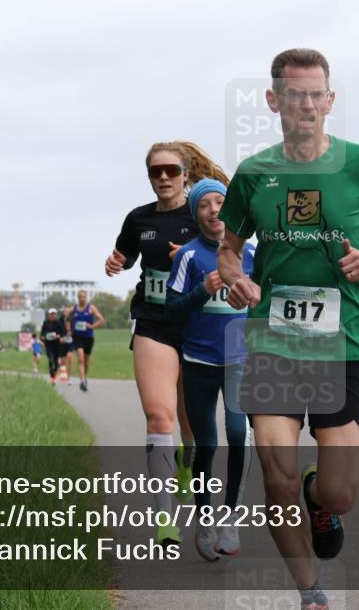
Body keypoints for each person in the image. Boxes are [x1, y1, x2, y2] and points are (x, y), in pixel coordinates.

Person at [217, 48, 359, 610]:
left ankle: (317, 499)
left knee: (340, 493)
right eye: (293, 93)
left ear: (330, 100)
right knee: (275, 476)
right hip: (275, 340)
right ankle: (312, 594)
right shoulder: (254, 174)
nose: (305, 103)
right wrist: (236, 279)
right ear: (274, 100)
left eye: (315, 93)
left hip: (345, 340)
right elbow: (229, 251)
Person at [104, 140, 229, 546]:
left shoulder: (204, 214)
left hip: (197, 325)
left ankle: (193, 478)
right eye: (155, 171)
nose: (163, 177)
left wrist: (192, 256)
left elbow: (229, 254)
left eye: (171, 171)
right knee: (160, 416)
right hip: (154, 321)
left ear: (186, 174)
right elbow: (123, 255)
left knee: (192, 425)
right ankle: (164, 518)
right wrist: (115, 262)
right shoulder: (138, 219)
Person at [167, 178, 255, 561]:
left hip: (240, 359)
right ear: (195, 213)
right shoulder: (188, 256)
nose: (214, 209)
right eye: (205, 204)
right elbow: (171, 311)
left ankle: (230, 519)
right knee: (207, 444)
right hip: (199, 362)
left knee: (239, 434)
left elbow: (265, 302)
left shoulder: (250, 253)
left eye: (221, 202)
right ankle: (204, 519)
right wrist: (202, 290)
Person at [69, 289, 106, 392]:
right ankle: (82, 381)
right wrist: (69, 330)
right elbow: (66, 318)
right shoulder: (74, 309)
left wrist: (92, 326)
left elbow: (101, 319)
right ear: (78, 298)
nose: (82, 299)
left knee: (86, 361)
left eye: (84, 297)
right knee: (80, 358)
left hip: (88, 337)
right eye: (80, 297)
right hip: (77, 337)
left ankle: (84, 377)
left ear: (86, 297)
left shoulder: (91, 308)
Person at [41, 308, 66, 384]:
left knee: (56, 361)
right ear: (48, 315)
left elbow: (63, 333)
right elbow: (42, 334)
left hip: (57, 345)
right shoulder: (45, 323)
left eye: (54, 314)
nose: (53, 316)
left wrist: (58, 336)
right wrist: (42, 337)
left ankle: (54, 375)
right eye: (51, 314)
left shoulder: (59, 323)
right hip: (48, 345)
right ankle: (52, 375)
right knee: (51, 360)